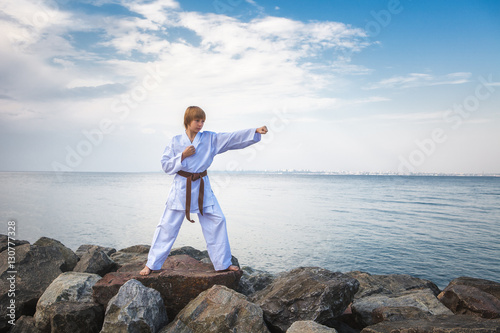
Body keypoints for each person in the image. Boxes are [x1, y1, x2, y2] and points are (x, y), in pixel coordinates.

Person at [140, 106, 268, 275]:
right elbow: (166, 166)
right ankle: (151, 264)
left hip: (202, 186)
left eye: (202, 121)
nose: (200, 124)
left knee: (218, 220)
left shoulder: (209, 139)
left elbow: (231, 139)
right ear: (187, 121)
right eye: (197, 121)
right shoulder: (175, 141)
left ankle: (223, 263)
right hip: (181, 188)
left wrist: (254, 131)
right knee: (167, 226)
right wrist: (183, 156)